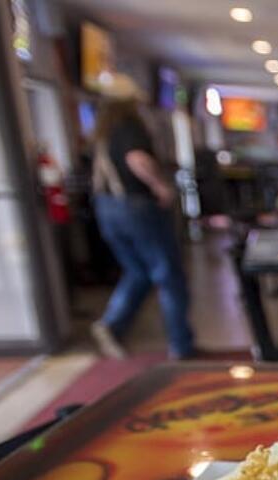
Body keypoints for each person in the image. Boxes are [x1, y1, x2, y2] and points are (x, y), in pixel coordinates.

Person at [88, 74, 195, 359]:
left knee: (138, 271)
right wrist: (161, 186)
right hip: (137, 208)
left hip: (107, 208)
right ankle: (181, 346)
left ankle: (112, 323)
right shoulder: (129, 126)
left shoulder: (102, 133)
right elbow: (138, 159)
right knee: (168, 275)